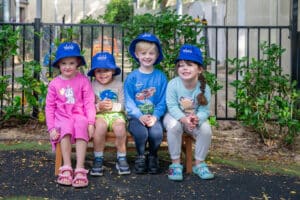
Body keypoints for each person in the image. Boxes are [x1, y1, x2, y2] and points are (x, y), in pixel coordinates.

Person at [45, 42, 95, 188]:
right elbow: (49, 107)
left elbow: (89, 102)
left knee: (81, 125)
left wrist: (91, 123)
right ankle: (66, 167)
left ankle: (79, 168)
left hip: (79, 115)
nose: (67, 66)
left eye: (71, 63)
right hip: (62, 116)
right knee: (64, 128)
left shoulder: (83, 81)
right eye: (64, 63)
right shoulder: (54, 84)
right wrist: (51, 128)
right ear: (59, 64)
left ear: (78, 63)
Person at [163, 44, 214, 181]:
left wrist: (196, 118)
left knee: (206, 129)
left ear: (200, 69)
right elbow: (172, 106)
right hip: (174, 116)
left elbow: (204, 110)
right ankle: (175, 164)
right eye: (180, 65)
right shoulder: (173, 84)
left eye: (189, 64)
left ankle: (199, 163)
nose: (184, 68)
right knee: (174, 126)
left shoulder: (205, 88)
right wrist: (183, 119)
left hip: (193, 118)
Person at [124, 33, 168, 174]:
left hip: (154, 116)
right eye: (143, 53)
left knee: (156, 133)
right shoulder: (132, 77)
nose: (147, 56)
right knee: (141, 133)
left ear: (156, 55)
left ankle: (153, 156)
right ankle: (141, 156)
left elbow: (163, 100)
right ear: (137, 54)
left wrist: (155, 116)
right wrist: (138, 115)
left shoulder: (161, 77)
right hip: (136, 118)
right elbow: (129, 101)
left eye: (151, 53)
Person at [87, 52, 130, 176]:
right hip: (100, 115)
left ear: (113, 71)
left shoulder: (119, 85)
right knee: (99, 128)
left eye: (106, 70)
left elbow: (123, 104)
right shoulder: (92, 85)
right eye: (98, 71)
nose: (102, 74)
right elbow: (89, 105)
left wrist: (114, 106)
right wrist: (98, 107)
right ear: (94, 73)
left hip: (117, 114)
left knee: (120, 128)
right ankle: (98, 158)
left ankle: (121, 157)